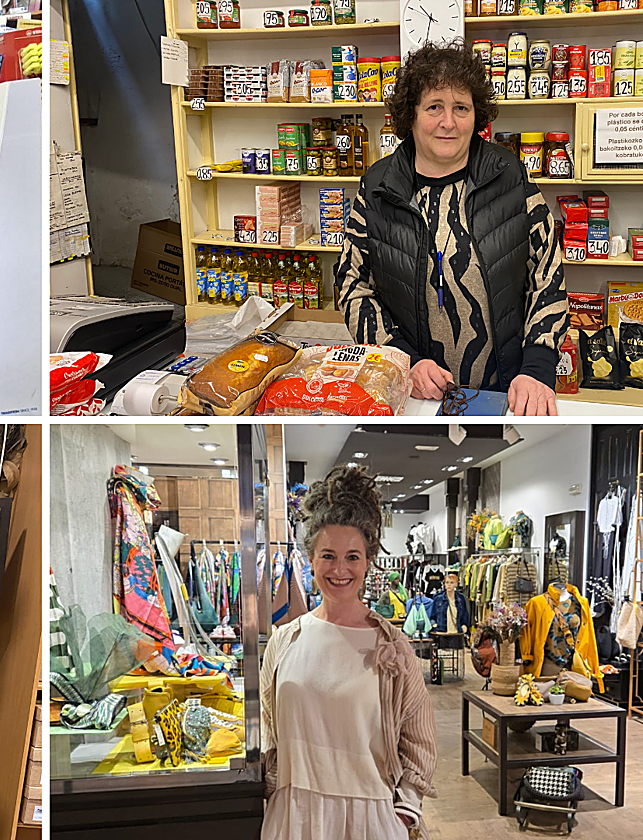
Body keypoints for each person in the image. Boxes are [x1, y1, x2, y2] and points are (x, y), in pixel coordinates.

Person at [336, 41, 568, 417]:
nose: (449, 122)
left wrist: (537, 368)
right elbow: (352, 287)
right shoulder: (377, 187)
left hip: (510, 391)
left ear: (477, 115)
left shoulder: (509, 176)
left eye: (461, 108)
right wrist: (404, 360)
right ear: (409, 116)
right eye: (434, 107)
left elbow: (548, 276)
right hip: (416, 395)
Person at [260, 467, 436, 839]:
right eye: (328, 555)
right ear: (310, 559)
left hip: (370, 821)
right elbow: (268, 730)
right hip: (294, 817)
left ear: (368, 561)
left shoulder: (393, 648)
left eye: (352, 557)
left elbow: (419, 742)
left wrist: (403, 814)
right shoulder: (284, 642)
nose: (340, 569)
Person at [429, 572, 471, 650]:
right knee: (442, 657)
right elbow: (433, 616)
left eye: (452, 583)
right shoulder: (438, 598)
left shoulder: (461, 598)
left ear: (456, 584)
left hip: (456, 633)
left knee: (456, 659)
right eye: (447, 582)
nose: (449, 585)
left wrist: (465, 627)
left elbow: (465, 615)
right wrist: (434, 625)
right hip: (441, 633)